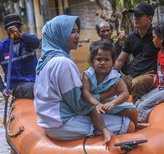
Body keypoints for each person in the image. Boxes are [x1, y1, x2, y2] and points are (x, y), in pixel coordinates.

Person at [34, 15, 135, 144]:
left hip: (49, 121)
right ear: (59, 34)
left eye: (77, 31)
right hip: (64, 123)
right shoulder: (63, 63)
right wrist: (110, 94)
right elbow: (79, 105)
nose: (77, 36)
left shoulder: (44, 61)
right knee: (129, 125)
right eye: (71, 32)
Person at [82, 40, 149, 132]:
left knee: (132, 110)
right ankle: (103, 129)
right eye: (99, 59)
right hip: (94, 106)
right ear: (92, 61)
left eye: (107, 60)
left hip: (110, 105)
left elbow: (125, 94)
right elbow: (85, 93)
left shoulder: (114, 76)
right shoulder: (88, 75)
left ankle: (136, 124)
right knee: (94, 111)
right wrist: (97, 104)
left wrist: (113, 103)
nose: (102, 62)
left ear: (113, 62)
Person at [114, 2, 158, 103]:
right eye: (134, 15)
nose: (135, 18)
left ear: (149, 18)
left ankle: (139, 114)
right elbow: (120, 60)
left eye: (139, 15)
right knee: (115, 82)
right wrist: (109, 76)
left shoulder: (157, 36)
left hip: (151, 76)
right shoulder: (130, 38)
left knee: (137, 82)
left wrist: (160, 77)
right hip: (134, 75)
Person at [0, 13, 39, 99]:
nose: (15, 30)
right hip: (17, 86)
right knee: (39, 88)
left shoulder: (28, 41)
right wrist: (2, 88)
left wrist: (20, 35)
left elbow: (37, 43)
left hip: (36, 81)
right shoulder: (0, 48)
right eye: (11, 28)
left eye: (18, 27)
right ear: (5, 29)